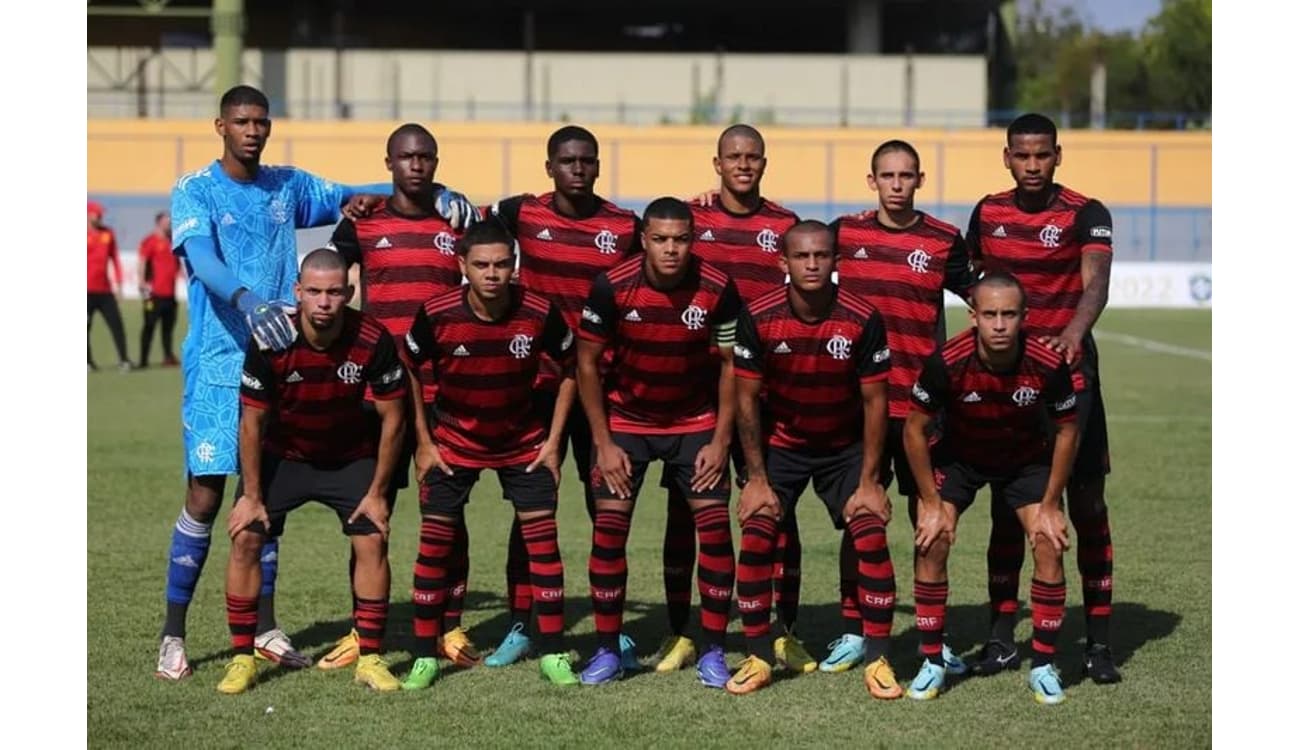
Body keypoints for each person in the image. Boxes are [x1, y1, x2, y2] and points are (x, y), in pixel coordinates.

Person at [156, 83, 476, 680]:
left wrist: (440, 193)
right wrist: (247, 299)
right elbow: (199, 257)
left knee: (265, 496)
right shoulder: (195, 189)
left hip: (284, 366)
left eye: (262, 121)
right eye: (242, 121)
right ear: (220, 126)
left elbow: (366, 195)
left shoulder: (290, 185)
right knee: (205, 496)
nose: (253, 131)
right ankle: (173, 633)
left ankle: (267, 628)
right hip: (221, 363)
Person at [315, 123, 479, 672]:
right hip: (377, 392)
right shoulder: (364, 222)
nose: (417, 165)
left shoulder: (457, 220)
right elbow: (329, 278)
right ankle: (365, 633)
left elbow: (495, 261)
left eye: (427, 157)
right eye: (407, 156)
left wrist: (466, 205)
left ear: (437, 162)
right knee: (369, 512)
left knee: (445, 513)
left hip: (443, 390)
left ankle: (449, 628)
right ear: (388, 162)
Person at [965, 113, 1121, 684]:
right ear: (1007, 157)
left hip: (1072, 384)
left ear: (1058, 155)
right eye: (1022, 156)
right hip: (1008, 388)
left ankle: (1098, 645)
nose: (1033, 165)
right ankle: (1002, 639)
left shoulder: (1085, 212)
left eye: (1042, 155)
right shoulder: (987, 212)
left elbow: (1096, 282)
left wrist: (1074, 334)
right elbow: (968, 276)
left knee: (1087, 508)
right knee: (1010, 509)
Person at [399, 220, 580, 689]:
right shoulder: (437, 313)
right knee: (433, 547)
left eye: (502, 264)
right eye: (481, 265)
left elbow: (570, 370)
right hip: (453, 444)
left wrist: (554, 443)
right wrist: (423, 440)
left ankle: (555, 651)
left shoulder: (540, 311)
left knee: (544, 549)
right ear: (462, 266)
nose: (492, 274)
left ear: (515, 266)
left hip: (524, 444)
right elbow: (410, 370)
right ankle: (424, 656)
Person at [487, 125, 642, 670]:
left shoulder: (625, 225)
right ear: (549, 166)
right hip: (538, 387)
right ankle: (520, 624)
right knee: (532, 508)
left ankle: (610, 628)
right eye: (567, 161)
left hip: (605, 389)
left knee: (608, 508)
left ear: (597, 167)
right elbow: (459, 216)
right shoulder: (521, 213)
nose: (578, 169)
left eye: (587, 161)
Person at [218, 248, 406, 694]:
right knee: (246, 536)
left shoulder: (372, 338)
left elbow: (394, 418)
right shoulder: (271, 339)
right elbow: (251, 421)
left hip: (349, 457)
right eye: (315, 292)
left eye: (334, 292)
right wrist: (251, 494)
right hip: (285, 457)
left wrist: (378, 492)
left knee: (372, 536)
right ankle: (243, 656)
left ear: (349, 293)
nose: (324, 302)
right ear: (298, 293)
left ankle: (372, 657)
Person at [729, 221, 900, 697]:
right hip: (782, 445)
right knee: (759, 529)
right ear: (782, 262)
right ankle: (760, 656)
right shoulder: (760, 315)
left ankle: (878, 658)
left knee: (870, 528)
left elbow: (875, 404)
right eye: (801, 256)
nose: (811, 264)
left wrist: (869, 480)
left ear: (836, 261)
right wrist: (756, 478)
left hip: (844, 448)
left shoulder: (862, 317)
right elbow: (746, 402)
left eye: (821, 256)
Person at [575, 196, 740, 688]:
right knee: (610, 530)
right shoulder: (611, 286)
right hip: (627, 422)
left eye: (682, 239)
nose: (672, 249)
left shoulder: (717, 287)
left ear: (693, 239)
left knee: (713, 532)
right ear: (644, 238)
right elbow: (586, 364)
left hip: (695, 424)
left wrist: (721, 439)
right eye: (661, 239)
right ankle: (606, 650)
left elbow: (733, 365)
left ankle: (712, 650)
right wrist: (603, 443)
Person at [823, 139, 973, 675]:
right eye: (887, 175)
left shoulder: (943, 240)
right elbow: (787, 257)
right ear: (872, 181)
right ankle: (853, 629)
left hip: (921, 406)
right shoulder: (843, 234)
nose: (896, 184)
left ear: (919, 179)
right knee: (857, 517)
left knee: (928, 519)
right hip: (858, 403)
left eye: (905, 175)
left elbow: (985, 298)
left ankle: (934, 635)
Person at [665, 124, 808, 676]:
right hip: (702, 387)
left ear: (764, 164)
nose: (743, 165)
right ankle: (685, 631)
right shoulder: (691, 220)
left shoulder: (784, 225)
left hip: (772, 386)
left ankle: (782, 631)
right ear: (717, 163)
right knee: (689, 510)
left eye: (752, 157)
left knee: (777, 510)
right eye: (733, 157)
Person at [902, 272, 1079, 705]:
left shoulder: (1046, 362)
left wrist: (1053, 504)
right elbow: (913, 429)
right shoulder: (948, 360)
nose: (1000, 325)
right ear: (973, 316)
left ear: (1024, 317)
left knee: (1049, 540)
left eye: (1009, 315)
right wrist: (930, 503)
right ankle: (932, 661)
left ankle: (1042, 665)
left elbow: (1068, 431)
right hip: (960, 457)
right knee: (933, 538)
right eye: (991, 315)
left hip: (1023, 461)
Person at [87, 200, 132, 372]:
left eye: (100, 214)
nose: (99, 216)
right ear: (88, 214)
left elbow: (115, 260)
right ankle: (88, 362)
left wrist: (119, 285)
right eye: (96, 214)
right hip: (85, 291)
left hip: (105, 290)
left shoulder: (108, 234)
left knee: (117, 325)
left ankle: (124, 359)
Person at [137, 211, 181, 368]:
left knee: (168, 328)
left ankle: (168, 356)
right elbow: (142, 261)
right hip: (153, 294)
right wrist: (142, 281)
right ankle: (143, 360)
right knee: (149, 326)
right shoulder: (150, 241)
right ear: (159, 223)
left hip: (170, 294)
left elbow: (177, 264)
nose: (170, 225)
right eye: (167, 222)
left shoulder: (173, 241)